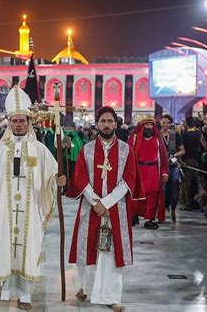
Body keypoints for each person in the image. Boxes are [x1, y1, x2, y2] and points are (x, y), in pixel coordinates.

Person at [0, 85, 66, 310]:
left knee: (29, 251)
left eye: (22, 120)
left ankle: (25, 296)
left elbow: (52, 176)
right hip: (4, 212)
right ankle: (7, 290)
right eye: (14, 121)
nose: (18, 124)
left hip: (31, 211)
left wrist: (58, 181)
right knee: (5, 250)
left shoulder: (40, 150)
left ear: (29, 122)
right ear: (9, 122)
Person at [67, 106, 142, 312]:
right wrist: (96, 202)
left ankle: (111, 296)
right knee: (88, 248)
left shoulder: (127, 150)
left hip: (116, 209)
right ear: (97, 124)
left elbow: (129, 179)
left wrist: (107, 203)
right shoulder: (87, 149)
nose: (106, 125)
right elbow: (80, 178)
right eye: (103, 121)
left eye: (110, 121)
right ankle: (87, 287)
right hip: (90, 207)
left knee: (111, 252)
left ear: (116, 123)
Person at [128, 115, 168, 229]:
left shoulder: (158, 139)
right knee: (135, 194)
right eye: (146, 124)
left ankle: (149, 219)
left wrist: (164, 172)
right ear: (141, 125)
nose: (149, 127)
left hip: (153, 170)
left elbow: (164, 157)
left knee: (153, 195)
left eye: (151, 124)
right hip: (138, 170)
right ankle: (133, 215)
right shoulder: (134, 138)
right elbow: (127, 155)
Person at [160, 114, 184, 222]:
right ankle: (162, 209)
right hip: (160, 164)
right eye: (163, 122)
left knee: (174, 183)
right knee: (162, 189)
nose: (165, 124)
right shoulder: (157, 135)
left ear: (170, 124)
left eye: (167, 122)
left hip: (173, 161)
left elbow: (182, 150)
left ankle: (173, 208)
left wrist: (174, 156)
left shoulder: (174, 135)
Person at [181, 116, 202, 211]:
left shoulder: (185, 135)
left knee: (187, 183)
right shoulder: (199, 133)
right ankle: (195, 202)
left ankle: (188, 203)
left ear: (186, 124)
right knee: (194, 183)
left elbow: (182, 149)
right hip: (197, 160)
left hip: (187, 161)